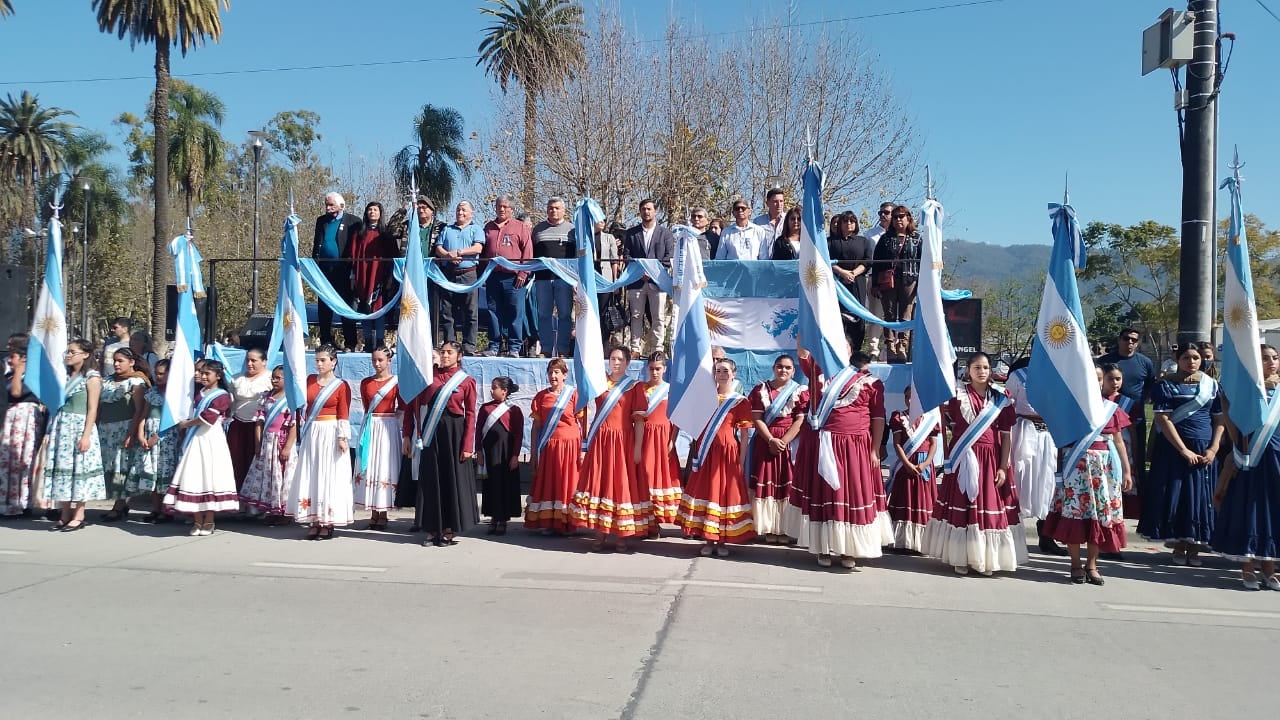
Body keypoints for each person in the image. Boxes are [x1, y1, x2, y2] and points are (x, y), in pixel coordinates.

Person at [921, 352, 1025, 576]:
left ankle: (985, 558)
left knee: (987, 505)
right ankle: (961, 556)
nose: (982, 371)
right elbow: (939, 410)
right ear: (968, 370)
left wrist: (1003, 466)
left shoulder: (1001, 397)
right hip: (963, 457)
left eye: (986, 367)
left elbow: (1006, 435)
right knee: (963, 505)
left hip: (990, 458)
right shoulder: (957, 395)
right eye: (977, 367)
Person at [786, 349, 891, 568]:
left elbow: (878, 417)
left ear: (850, 351)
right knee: (827, 495)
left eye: (843, 345)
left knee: (852, 495)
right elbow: (804, 350)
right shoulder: (818, 374)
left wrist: (874, 449)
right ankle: (823, 546)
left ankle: (848, 549)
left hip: (856, 447)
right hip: (823, 444)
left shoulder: (870, 381)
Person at [1041, 365, 1132, 585]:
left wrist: (1127, 471)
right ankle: (1075, 564)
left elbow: (1119, 441)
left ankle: (1092, 564)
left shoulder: (1110, 408)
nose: (1096, 383)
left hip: (1103, 470)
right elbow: (1061, 441)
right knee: (1075, 516)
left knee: (1099, 517)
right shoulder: (1070, 408)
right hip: (1077, 469)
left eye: (1100, 379)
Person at [1138, 344, 1223, 566]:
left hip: (1204, 448)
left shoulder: (1211, 386)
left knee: (1201, 497)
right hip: (1173, 449)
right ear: (1177, 358)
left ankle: (1195, 547)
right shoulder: (1165, 385)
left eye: (1196, 357)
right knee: (1176, 494)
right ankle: (1177, 545)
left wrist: (1214, 448)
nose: (1192, 361)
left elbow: (1219, 420)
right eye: (1186, 357)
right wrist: (1183, 450)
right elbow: (1162, 419)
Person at [1212, 344, 1280, 591]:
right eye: (1264, 358)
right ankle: (1248, 566)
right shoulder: (1248, 391)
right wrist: (1238, 450)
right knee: (1250, 511)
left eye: (1275, 357)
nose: (1271, 362)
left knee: (1272, 514)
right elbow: (1231, 420)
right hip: (1251, 457)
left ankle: (1270, 568)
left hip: (1277, 460)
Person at [572, 347, 652, 552]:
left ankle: (621, 536)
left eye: (620, 359)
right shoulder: (598, 382)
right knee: (600, 483)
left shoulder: (634, 387)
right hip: (601, 441)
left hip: (623, 442)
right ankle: (600, 533)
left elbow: (640, 422)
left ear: (627, 363)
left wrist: (637, 448)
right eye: (612, 358)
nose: (615, 362)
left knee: (620, 485)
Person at [679, 358, 756, 556]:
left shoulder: (740, 401)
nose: (722, 374)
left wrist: (741, 459)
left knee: (724, 495)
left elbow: (745, 434)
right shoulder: (705, 397)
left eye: (726, 370)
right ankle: (708, 538)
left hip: (727, 453)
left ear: (734, 374)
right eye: (718, 370)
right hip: (707, 452)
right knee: (707, 492)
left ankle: (722, 541)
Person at [405, 342, 478, 546]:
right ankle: (432, 528)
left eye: (450, 352)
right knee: (432, 479)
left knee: (450, 479)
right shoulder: (429, 377)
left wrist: (467, 445)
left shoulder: (467, 381)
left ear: (459, 356)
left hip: (454, 432)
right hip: (432, 430)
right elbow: (416, 403)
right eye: (443, 352)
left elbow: (471, 414)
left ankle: (449, 528)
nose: (445, 356)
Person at [163, 360, 240, 535]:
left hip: (211, 439)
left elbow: (208, 418)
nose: (203, 376)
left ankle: (210, 519)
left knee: (210, 476)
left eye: (207, 374)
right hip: (196, 439)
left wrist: (187, 424)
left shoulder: (222, 396)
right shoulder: (199, 393)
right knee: (193, 476)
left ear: (218, 376)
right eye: (201, 373)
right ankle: (197, 519)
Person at [1004, 356, 1067, 556]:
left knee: (1047, 484)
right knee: (1019, 480)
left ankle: (1046, 537)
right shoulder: (1018, 375)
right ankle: (1010, 536)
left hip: (1049, 434)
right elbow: (1007, 403)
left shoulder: (1060, 375)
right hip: (1024, 431)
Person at [290, 346, 353, 540]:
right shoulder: (309, 381)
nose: (319, 364)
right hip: (313, 432)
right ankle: (314, 519)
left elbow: (343, 412)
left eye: (323, 360)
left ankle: (328, 520)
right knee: (312, 473)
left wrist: (342, 437)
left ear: (333, 362)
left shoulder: (341, 385)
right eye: (317, 360)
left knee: (328, 474)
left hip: (331, 432)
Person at [44, 340, 106, 531]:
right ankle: (64, 513)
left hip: (80, 426)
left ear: (85, 354)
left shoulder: (92, 377)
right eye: (68, 352)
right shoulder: (65, 376)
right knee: (62, 468)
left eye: (73, 352)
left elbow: (93, 409)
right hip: (62, 426)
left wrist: (86, 435)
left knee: (80, 470)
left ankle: (79, 515)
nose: (69, 355)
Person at [747, 353, 808, 543]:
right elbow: (756, 418)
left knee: (787, 483)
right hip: (766, 441)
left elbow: (800, 419)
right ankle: (769, 528)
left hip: (789, 443)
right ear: (774, 368)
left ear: (793, 371)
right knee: (767, 483)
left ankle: (785, 528)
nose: (783, 370)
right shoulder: (761, 390)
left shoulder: (800, 391)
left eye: (788, 368)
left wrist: (785, 440)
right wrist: (771, 439)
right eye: (780, 366)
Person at [1098, 328, 1157, 517]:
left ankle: (1134, 505)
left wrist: (1140, 401)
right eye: (1126, 338)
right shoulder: (1105, 361)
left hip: (1131, 415)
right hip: (1104, 421)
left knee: (1133, 461)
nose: (1130, 342)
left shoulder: (1144, 362)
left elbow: (1150, 385)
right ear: (1119, 339)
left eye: (1134, 339)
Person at [524, 358, 581, 533]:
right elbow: (536, 428)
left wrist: (584, 450)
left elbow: (583, 424)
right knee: (550, 483)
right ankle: (550, 522)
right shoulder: (541, 396)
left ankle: (568, 523)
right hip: (549, 447)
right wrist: (534, 452)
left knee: (567, 483)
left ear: (565, 375)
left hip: (570, 447)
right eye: (550, 372)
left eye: (557, 372)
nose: (553, 376)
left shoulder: (574, 395)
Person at [629, 352, 682, 536]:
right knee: (645, 478)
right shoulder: (640, 389)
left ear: (665, 369)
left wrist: (672, 442)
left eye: (658, 369)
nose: (654, 372)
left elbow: (677, 421)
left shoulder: (671, 389)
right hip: (644, 438)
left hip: (663, 439)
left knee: (659, 479)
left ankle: (656, 521)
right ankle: (645, 522)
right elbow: (637, 418)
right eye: (651, 369)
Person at [239, 366, 296, 525]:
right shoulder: (266, 398)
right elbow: (258, 423)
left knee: (282, 476)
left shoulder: (290, 399)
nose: (274, 380)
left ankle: (284, 512)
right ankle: (272, 510)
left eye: (278, 378)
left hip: (281, 441)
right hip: (267, 442)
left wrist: (287, 447)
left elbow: (294, 425)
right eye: (273, 377)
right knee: (268, 475)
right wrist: (258, 444)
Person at [98, 348, 149, 522]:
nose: (116, 364)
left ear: (131, 362)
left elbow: (139, 410)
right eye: (114, 361)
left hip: (124, 428)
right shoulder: (106, 381)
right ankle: (117, 501)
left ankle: (119, 504)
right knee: (109, 465)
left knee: (122, 465)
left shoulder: (137, 382)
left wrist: (131, 433)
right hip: (106, 430)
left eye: (120, 360)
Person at [885, 385, 938, 553]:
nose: (910, 400)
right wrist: (907, 464)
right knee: (905, 499)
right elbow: (897, 443)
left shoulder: (930, 419)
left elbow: (933, 444)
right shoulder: (899, 417)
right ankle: (903, 541)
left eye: (914, 398)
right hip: (906, 464)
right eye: (908, 397)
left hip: (924, 465)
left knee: (923, 500)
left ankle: (923, 542)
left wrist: (926, 463)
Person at [126, 359, 179, 524]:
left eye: (162, 373)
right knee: (153, 472)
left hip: (167, 438)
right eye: (157, 373)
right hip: (149, 435)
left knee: (165, 472)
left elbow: (176, 420)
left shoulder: (176, 394)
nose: (158, 376)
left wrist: (158, 437)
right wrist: (141, 434)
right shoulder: (152, 392)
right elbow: (143, 414)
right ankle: (155, 509)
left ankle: (167, 510)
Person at [355, 347, 402, 530]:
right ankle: (373, 511)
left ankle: (383, 511)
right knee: (371, 466)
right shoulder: (366, 382)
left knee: (384, 467)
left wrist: (392, 422)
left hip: (388, 426)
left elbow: (402, 407)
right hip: (370, 426)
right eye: (374, 360)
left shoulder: (396, 382)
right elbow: (367, 407)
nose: (377, 363)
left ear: (389, 361)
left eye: (381, 360)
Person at [0, 336, 47, 517]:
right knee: (8, 459)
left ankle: (22, 502)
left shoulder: (32, 375)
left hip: (25, 416)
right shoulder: (8, 374)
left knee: (23, 458)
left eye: (13, 356)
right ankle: (6, 501)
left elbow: (17, 392)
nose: (10, 361)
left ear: (23, 357)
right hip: (11, 417)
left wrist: (19, 370)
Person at [482, 195, 533, 357]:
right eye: (499, 206)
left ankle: (514, 347)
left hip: (514, 278)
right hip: (492, 276)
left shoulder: (520, 227)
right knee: (493, 312)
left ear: (511, 209)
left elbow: (528, 251)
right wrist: (483, 275)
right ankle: (494, 346)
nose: (502, 209)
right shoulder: (488, 227)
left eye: (505, 207)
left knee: (515, 312)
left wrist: (523, 273)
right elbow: (482, 251)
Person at [623, 199, 676, 356]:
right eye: (643, 209)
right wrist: (641, 271)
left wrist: (652, 272)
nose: (646, 212)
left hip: (658, 281)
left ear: (655, 211)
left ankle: (657, 349)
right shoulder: (632, 233)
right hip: (636, 281)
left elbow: (669, 256)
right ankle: (635, 348)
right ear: (640, 212)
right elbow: (627, 256)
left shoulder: (665, 233)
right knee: (636, 315)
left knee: (658, 316)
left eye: (649, 209)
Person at [433, 201, 485, 355]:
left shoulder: (476, 229)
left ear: (471, 213)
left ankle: (469, 346)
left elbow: (478, 248)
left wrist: (459, 252)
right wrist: (448, 255)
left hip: (469, 274)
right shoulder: (447, 229)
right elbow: (438, 248)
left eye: (463, 210)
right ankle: (450, 345)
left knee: (470, 312)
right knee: (447, 312)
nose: (460, 212)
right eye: (458, 209)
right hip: (448, 274)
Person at [871, 205, 922, 363]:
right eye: (896, 217)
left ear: (908, 218)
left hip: (910, 280)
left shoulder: (917, 238)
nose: (899, 219)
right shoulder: (885, 239)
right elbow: (876, 263)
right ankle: (890, 346)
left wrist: (923, 284)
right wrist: (874, 284)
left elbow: (923, 263)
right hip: (888, 282)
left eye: (902, 216)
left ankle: (903, 346)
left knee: (906, 315)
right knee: (890, 314)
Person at [312, 192, 360, 349]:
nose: (327, 207)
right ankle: (326, 341)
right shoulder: (321, 221)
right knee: (324, 308)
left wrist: (354, 272)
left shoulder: (354, 222)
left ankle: (350, 342)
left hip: (344, 272)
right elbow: (317, 244)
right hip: (324, 272)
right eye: (326, 204)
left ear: (342, 205)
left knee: (346, 306)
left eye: (331, 205)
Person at [348, 201, 399, 350]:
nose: (372, 212)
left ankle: (380, 341)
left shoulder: (386, 235)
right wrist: (353, 276)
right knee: (364, 307)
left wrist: (390, 277)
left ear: (380, 213)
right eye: (369, 209)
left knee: (379, 308)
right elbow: (352, 256)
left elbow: (393, 257)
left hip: (380, 277)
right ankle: (368, 341)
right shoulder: (359, 234)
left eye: (375, 210)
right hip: (362, 276)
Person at [477, 376, 524, 536]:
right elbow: (478, 431)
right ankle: (493, 517)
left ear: (504, 391)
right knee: (491, 485)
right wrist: (478, 451)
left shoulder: (514, 410)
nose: (491, 390)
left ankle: (503, 519)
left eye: (494, 387)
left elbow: (518, 435)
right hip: (490, 453)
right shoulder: (485, 409)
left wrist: (515, 456)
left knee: (505, 485)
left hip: (506, 453)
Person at [531, 197, 576, 358]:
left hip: (564, 279)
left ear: (564, 210)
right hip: (542, 279)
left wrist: (575, 280)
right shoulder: (538, 230)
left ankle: (563, 350)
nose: (553, 211)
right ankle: (545, 349)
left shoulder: (572, 230)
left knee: (565, 314)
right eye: (550, 208)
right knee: (543, 315)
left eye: (557, 208)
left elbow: (577, 258)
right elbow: (532, 255)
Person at [228, 348, 271, 500]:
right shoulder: (236, 379)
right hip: (238, 425)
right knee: (237, 461)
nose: (250, 363)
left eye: (254, 360)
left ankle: (256, 503)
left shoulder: (271, 378)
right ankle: (238, 500)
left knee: (257, 462)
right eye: (247, 360)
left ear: (264, 361)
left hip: (259, 427)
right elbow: (230, 402)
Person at [827, 211, 872, 354]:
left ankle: (856, 351)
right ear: (840, 224)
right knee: (837, 316)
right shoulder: (830, 242)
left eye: (852, 221)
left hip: (857, 282)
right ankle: (838, 350)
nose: (849, 224)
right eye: (845, 221)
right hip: (837, 282)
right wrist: (842, 272)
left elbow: (867, 260)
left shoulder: (863, 241)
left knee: (858, 317)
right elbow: (825, 260)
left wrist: (853, 273)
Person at [863, 202, 895, 361]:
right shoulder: (871, 234)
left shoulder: (902, 234)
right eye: (880, 212)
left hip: (897, 281)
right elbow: (868, 259)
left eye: (887, 212)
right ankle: (873, 350)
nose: (883, 215)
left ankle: (892, 347)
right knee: (875, 315)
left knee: (894, 316)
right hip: (875, 279)